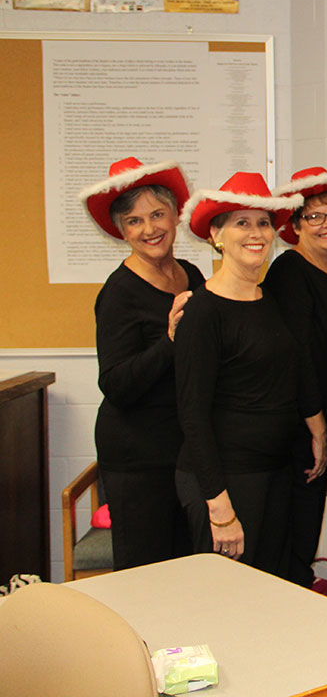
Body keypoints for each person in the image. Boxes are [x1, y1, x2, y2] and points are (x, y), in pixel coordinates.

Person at [173, 172, 327, 576]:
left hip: (274, 474)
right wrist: (219, 506)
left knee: (267, 595)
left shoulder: (269, 300)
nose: (256, 232)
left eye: (263, 222)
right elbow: (192, 414)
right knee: (224, 603)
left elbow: (295, 369)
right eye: (241, 222)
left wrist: (317, 429)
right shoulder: (202, 312)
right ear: (216, 235)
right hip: (225, 481)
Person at [80, 157, 204, 570]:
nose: (150, 229)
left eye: (157, 214)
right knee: (147, 570)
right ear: (121, 230)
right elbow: (115, 383)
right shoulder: (118, 294)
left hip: (184, 448)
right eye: (134, 221)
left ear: (175, 216)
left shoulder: (192, 274)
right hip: (137, 456)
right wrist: (168, 340)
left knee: (189, 565)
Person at [262, 167, 327, 586]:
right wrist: (318, 426)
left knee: (301, 537)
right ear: (295, 225)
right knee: (290, 542)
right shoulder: (289, 272)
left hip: (324, 425)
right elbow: (296, 356)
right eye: (315, 216)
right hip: (300, 429)